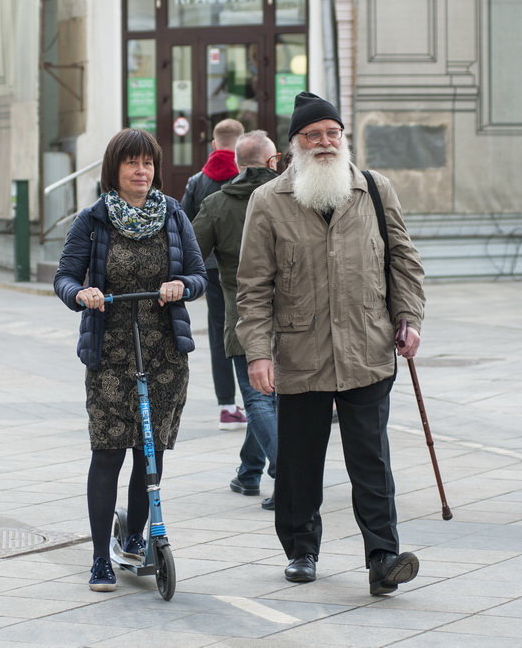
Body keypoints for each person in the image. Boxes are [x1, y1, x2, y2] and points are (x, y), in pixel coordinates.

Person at [236, 92, 425, 595]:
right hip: (301, 354)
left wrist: (409, 316)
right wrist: (257, 352)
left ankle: (383, 556)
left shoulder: (375, 190)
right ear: (295, 144)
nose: (324, 142)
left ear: (343, 137)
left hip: (367, 348)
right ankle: (301, 548)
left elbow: (403, 261)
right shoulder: (268, 201)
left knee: (372, 459)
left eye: (331, 133)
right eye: (312, 135)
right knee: (300, 462)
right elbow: (253, 286)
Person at [54, 128, 207, 591]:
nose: (141, 171)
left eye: (148, 163)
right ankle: (100, 556)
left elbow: (199, 274)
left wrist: (182, 286)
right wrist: (83, 293)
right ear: (115, 169)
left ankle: (136, 538)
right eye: (132, 163)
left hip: (163, 351)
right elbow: (64, 278)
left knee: (150, 454)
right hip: (111, 352)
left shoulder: (174, 215)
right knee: (107, 454)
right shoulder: (93, 220)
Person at [192, 130, 280, 510]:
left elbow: (193, 256)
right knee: (272, 400)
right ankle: (249, 471)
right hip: (295, 316)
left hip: (242, 312)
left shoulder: (216, 204)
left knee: (259, 400)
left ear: (238, 164)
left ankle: (286, 472)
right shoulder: (292, 197)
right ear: (272, 161)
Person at [181, 118, 246, 431]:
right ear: (241, 141)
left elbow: (186, 225)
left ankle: (226, 406)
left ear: (214, 144)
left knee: (221, 333)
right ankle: (257, 396)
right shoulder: (248, 177)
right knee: (253, 330)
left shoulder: (197, 181)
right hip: (246, 268)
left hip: (210, 269)